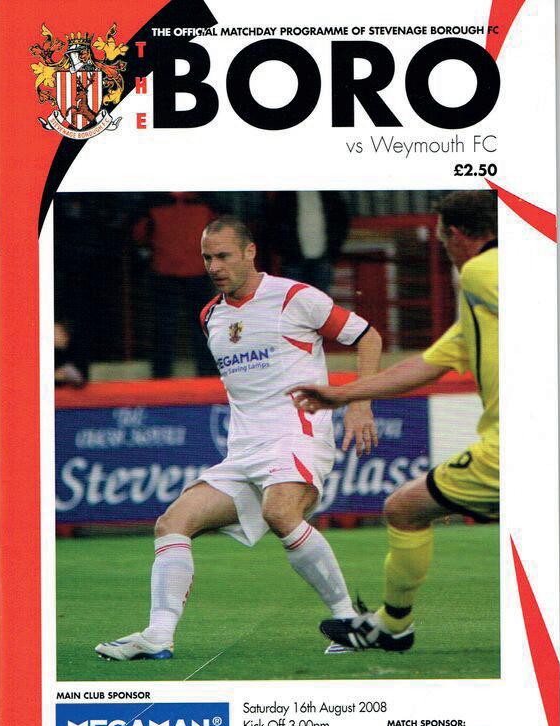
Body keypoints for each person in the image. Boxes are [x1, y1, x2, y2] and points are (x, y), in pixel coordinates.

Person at [96, 215, 382, 660]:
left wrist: (359, 403)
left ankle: (349, 622)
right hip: (244, 452)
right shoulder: (210, 315)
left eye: (224, 256)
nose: (214, 267)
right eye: (207, 258)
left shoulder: (295, 297)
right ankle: (158, 636)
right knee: (172, 523)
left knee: (280, 512)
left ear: (250, 252)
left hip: (296, 434)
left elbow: (368, 337)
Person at [290, 191, 498, 652]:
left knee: (405, 509)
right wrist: (343, 394)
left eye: (442, 238)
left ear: (456, 235)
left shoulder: (482, 271)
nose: (444, 247)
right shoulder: (481, 303)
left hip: (512, 447)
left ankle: (392, 625)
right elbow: (427, 364)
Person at [133, 192, 217, 377]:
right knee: (201, 329)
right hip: (193, 272)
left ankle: (162, 378)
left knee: (164, 329)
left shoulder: (153, 200)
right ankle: (207, 377)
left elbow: (139, 234)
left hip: (166, 271)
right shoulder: (206, 199)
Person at [271, 191, 349, 295]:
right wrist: (283, 251)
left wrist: (334, 250)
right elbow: (273, 224)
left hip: (324, 259)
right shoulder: (285, 195)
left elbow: (341, 221)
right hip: (293, 260)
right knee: (295, 300)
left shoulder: (330, 194)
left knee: (320, 300)